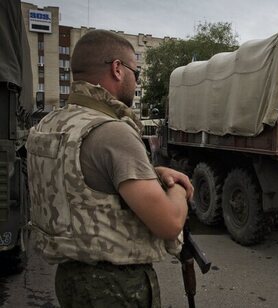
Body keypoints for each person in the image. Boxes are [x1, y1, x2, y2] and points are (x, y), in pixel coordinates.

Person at [26, 30, 193, 307]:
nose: (136, 81)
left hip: (70, 279)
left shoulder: (51, 124)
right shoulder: (113, 132)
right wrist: (178, 187)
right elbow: (170, 223)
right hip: (117, 288)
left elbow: (89, 181)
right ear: (117, 69)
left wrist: (157, 172)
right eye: (136, 74)